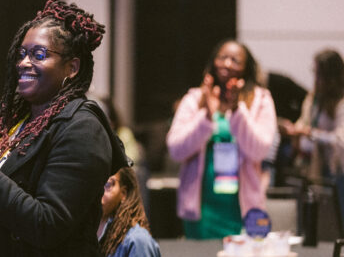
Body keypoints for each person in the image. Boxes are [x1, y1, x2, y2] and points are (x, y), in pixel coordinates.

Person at [0, 0, 128, 256]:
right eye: (22, 54)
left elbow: (47, 225)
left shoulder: (83, 128)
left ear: (72, 68)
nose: (24, 63)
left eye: (39, 54)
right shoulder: (14, 122)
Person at [166, 39, 277, 239]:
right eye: (222, 57)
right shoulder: (194, 98)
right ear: (213, 62)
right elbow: (175, 149)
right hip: (202, 210)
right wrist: (206, 117)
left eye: (235, 60)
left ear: (246, 68)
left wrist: (237, 111)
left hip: (244, 210)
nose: (227, 64)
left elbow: (260, 150)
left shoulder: (261, 100)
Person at [283, 49, 344, 180]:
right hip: (311, 163)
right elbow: (304, 121)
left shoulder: (340, 102)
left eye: (320, 74)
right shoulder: (314, 97)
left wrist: (311, 133)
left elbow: (340, 139)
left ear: (331, 77)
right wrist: (294, 129)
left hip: (335, 167)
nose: (316, 79)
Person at [97, 167, 160, 257]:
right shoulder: (84, 236)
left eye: (107, 185)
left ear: (123, 193)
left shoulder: (137, 241)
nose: (99, 192)